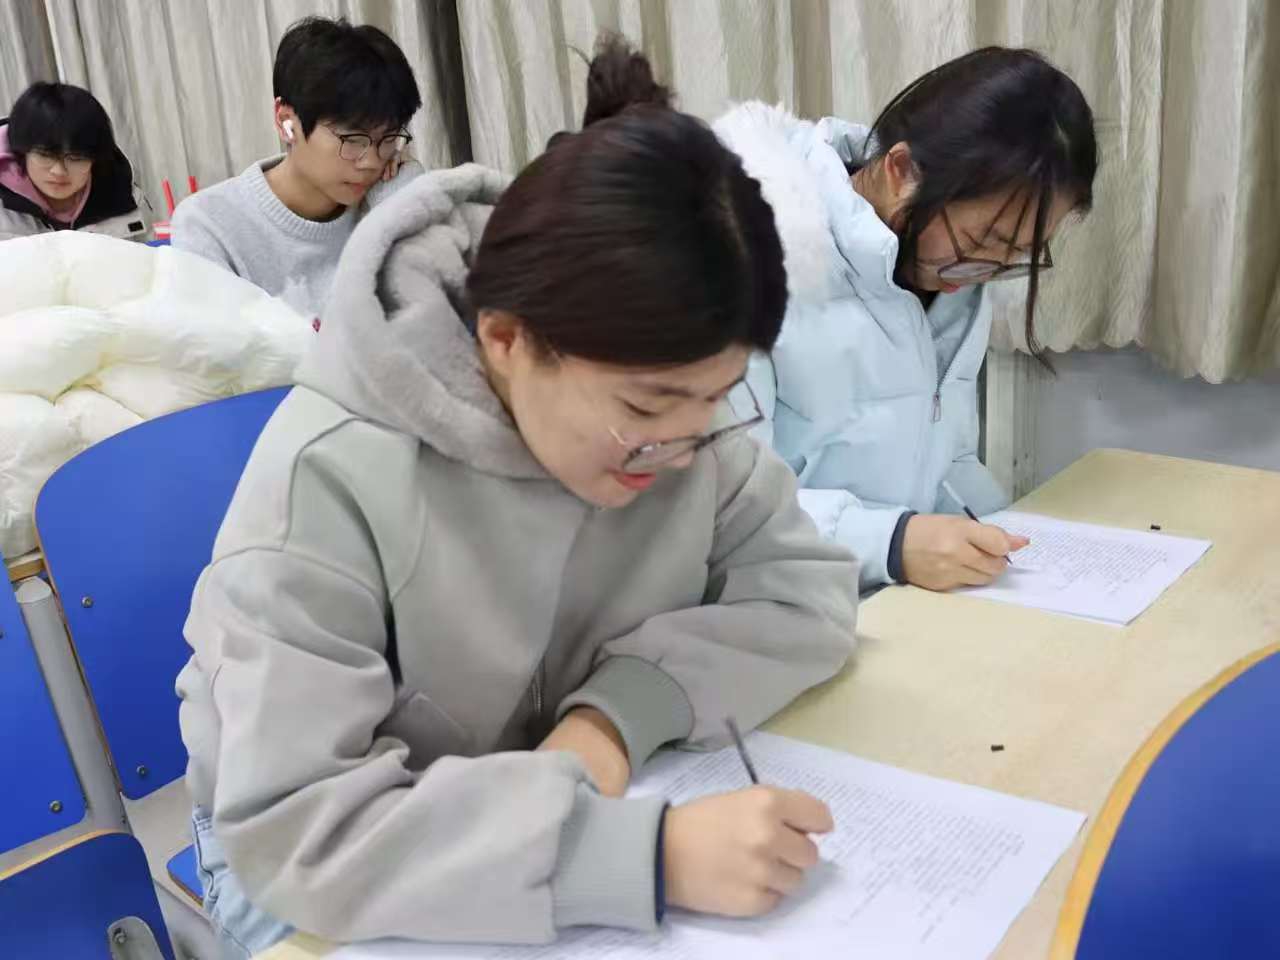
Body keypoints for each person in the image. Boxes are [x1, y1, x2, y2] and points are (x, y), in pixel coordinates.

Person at [176, 37, 858, 958]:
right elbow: (297, 825)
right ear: (505, 340)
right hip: (313, 855)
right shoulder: (330, 474)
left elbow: (805, 590)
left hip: (544, 793)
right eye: (645, 408)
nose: (685, 449)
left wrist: (614, 716)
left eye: (717, 399)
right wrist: (642, 859)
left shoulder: (679, 426)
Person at [714, 47, 1098, 593]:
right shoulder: (749, 256)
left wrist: (1012, 540)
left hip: (893, 599)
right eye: (984, 240)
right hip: (773, 603)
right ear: (901, 171)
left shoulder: (952, 277)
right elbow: (720, 504)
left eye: (1016, 256)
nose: (986, 271)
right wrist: (892, 543)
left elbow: (947, 459)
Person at [172, 16, 424, 317]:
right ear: (286, 122)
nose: (371, 162)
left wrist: (403, 196)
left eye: (388, 138)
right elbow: (220, 343)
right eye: (353, 139)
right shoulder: (209, 224)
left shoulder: (387, 197)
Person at [0, 82, 144, 241]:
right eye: (45, 155)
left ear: (95, 159)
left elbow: (151, 251)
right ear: (21, 151)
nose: (59, 171)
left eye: (76, 158)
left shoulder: (124, 192)